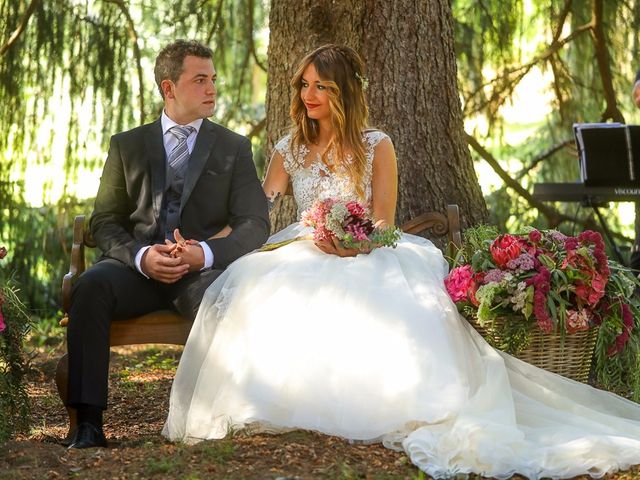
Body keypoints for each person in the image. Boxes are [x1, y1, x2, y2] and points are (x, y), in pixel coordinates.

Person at [163, 44, 640, 478]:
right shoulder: (289, 148)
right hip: (302, 245)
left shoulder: (376, 145)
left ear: (343, 92)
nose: (309, 95)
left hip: (367, 249)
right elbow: (256, 211)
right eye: (304, 85)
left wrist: (349, 245)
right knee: (260, 285)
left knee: (381, 304)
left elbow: (386, 225)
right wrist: (206, 242)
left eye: (321, 87)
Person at [65, 39, 270, 449]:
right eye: (200, 80)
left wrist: (205, 254)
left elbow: (255, 222)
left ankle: (222, 420)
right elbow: (104, 220)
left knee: (225, 303)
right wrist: (141, 256)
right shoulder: (127, 145)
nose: (212, 89)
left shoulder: (233, 147)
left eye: (213, 79)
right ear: (168, 88)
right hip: (134, 271)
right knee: (89, 287)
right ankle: (88, 425)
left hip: (200, 272)